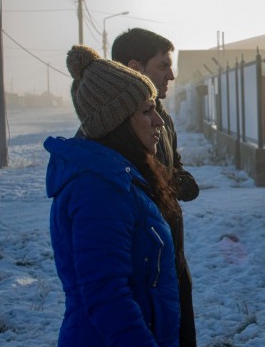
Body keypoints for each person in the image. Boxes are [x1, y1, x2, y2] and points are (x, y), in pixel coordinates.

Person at [45, 45, 180, 346]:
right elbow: (107, 297)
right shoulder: (98, 191)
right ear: (116, 122)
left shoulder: (121, 177)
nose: (159, 121)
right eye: (146, 111)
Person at [112, 27, 199, 347]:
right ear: (135, 68)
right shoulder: (112, 130)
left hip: (172, 257)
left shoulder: (161, 116)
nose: (172, 75)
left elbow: (172, 166)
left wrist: (179, 179)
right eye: (163, 66)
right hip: (142, 270)